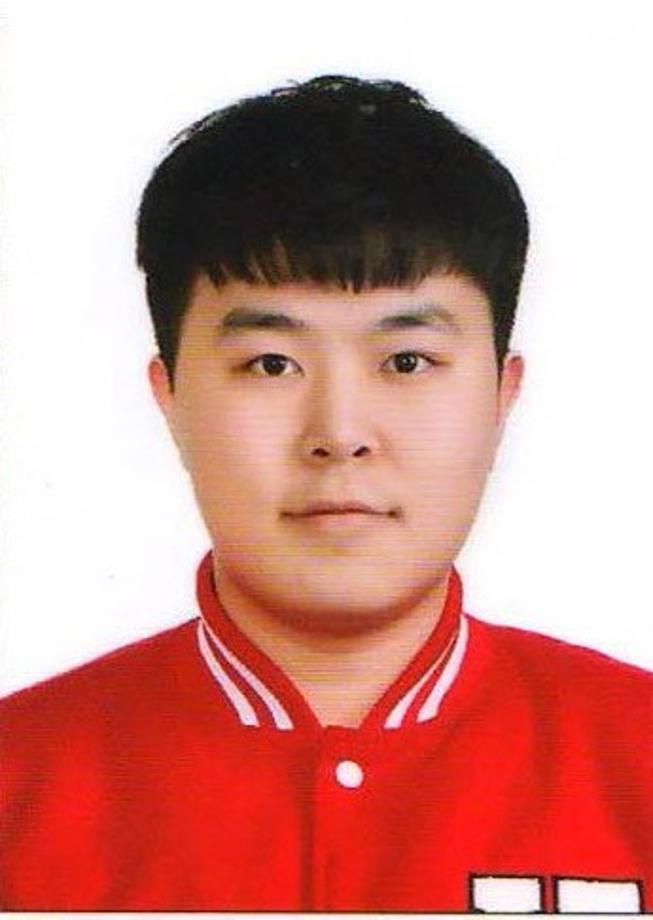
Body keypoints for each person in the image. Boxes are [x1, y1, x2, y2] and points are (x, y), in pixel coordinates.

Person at [1, 75, 651, 914]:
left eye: (406, 361)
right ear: (170, 397)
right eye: (271, 364)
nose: (339, 433)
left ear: (501, 396)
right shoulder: (18, 786)